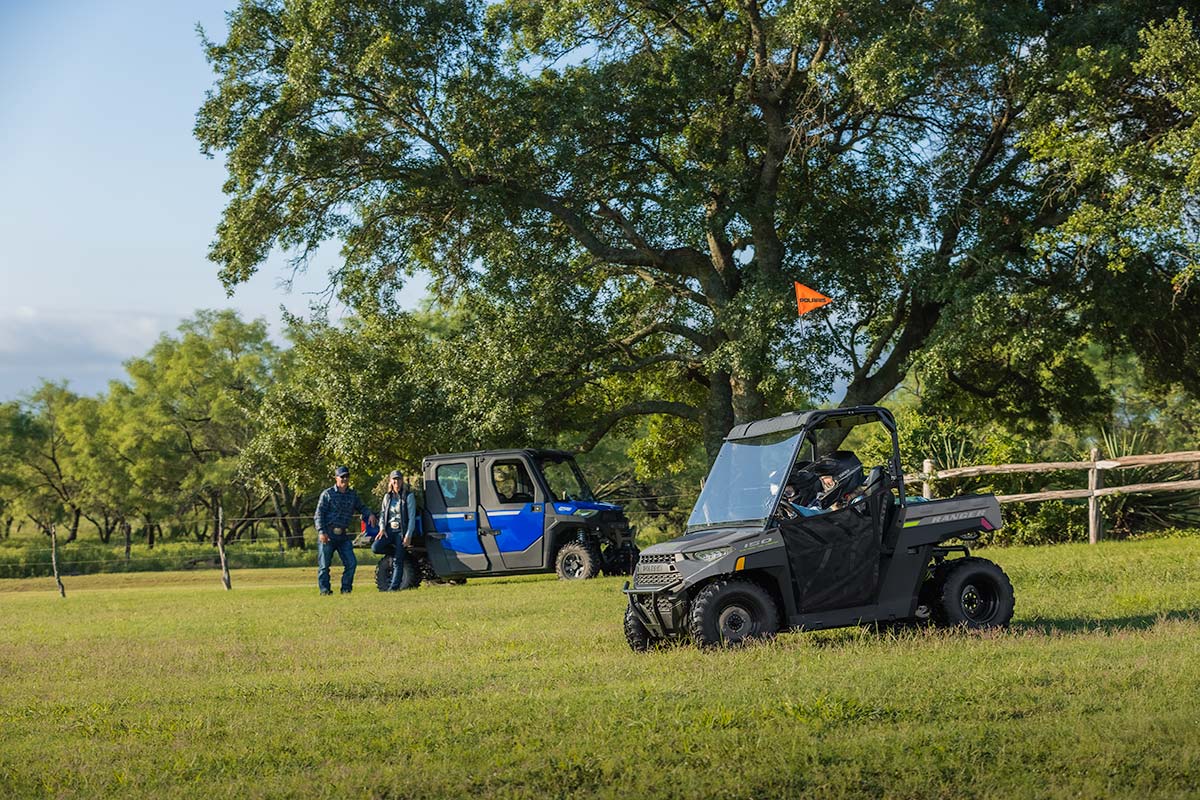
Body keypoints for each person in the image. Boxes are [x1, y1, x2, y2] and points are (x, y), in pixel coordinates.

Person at [314, 466, 377, 595]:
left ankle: (346, 589)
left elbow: (362, 507)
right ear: (336, 478)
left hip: (343, 535)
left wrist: (369, 514)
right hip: (328, 534)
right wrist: (321, 532)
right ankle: (325, 591)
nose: (345, 479)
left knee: (351, 563)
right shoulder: (327, 494)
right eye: (342, 476)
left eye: (347, 476)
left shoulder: (352, 494)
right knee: (324, 566)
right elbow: (318, 514)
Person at [372, 470, 419, 591]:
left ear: (402, 481)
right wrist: (382, 528)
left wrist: (408, 535)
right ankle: (396, 552)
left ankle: (394, 587)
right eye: (394, 479)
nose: (396, 482)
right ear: (390, 481)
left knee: (398, 561)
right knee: (376, 547)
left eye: (398, 479)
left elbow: (412, 517)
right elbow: (382, 514)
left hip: (401, 531)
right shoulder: (387, 497)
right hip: (389, 530)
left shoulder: (408, 496)